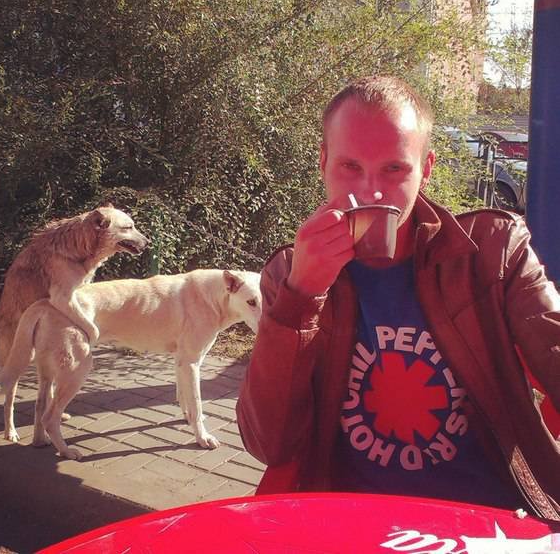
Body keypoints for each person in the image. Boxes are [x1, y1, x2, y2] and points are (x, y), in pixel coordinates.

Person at [236, 75, 560, 520]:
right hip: (355, 522)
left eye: (394, 169)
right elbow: (268, 444)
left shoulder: (491, 251)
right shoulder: (288, 275)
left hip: (493, 520)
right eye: (350, 166)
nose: (370, 192)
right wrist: (301, 296)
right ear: (323, 162)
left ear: (425, 169)